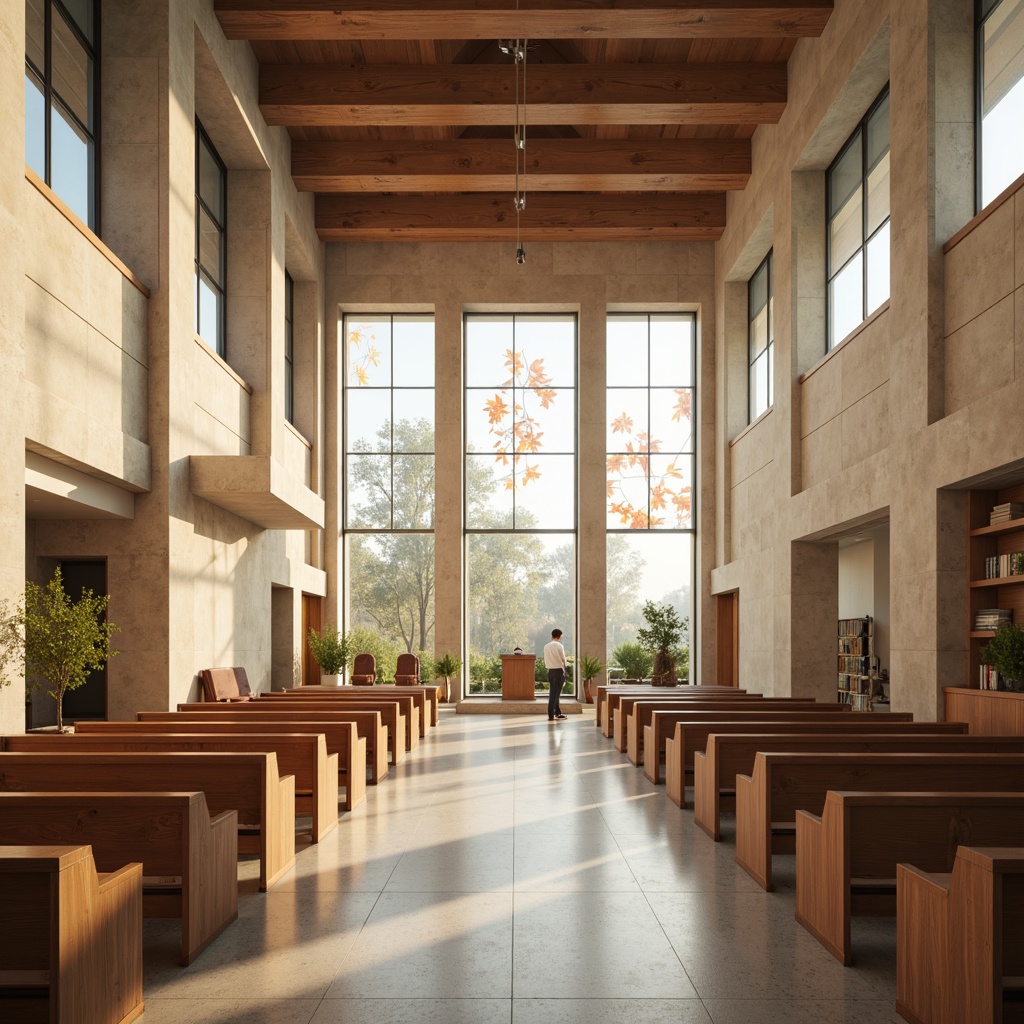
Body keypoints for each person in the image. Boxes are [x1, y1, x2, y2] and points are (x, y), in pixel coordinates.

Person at [543, 628, 568, 720]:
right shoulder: (559, 645)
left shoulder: (546, 646)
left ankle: (555, 713)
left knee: (553, 693)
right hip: (558, 671)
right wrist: (566, 668)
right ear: (559, 636)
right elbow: (563, 659)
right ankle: (553, 714)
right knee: (556, 694)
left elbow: (545, 659)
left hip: (550, 671)